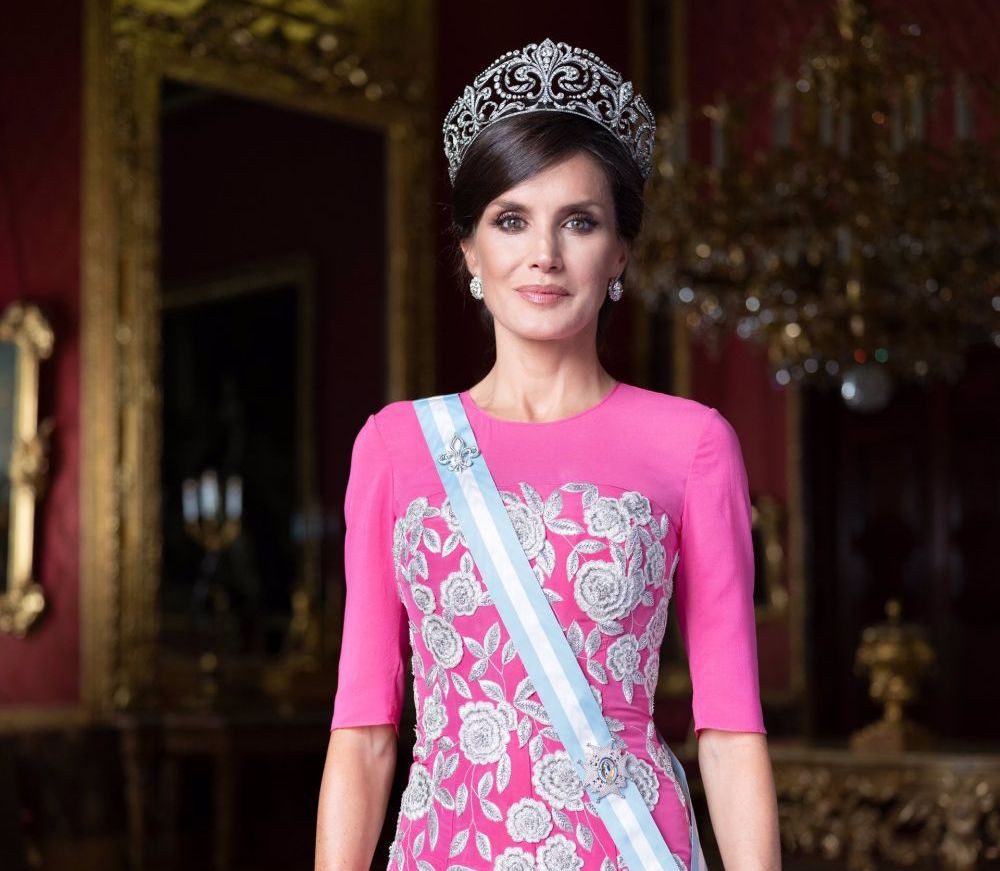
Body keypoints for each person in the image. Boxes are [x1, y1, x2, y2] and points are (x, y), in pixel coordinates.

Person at [316, 38, 780, 871]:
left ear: (620, 252)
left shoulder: (693, 443)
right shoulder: (395, 445)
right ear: (469, 249)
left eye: (579, 220)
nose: (545, 254)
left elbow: (730, 731)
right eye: (511, 219)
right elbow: (364, 734)